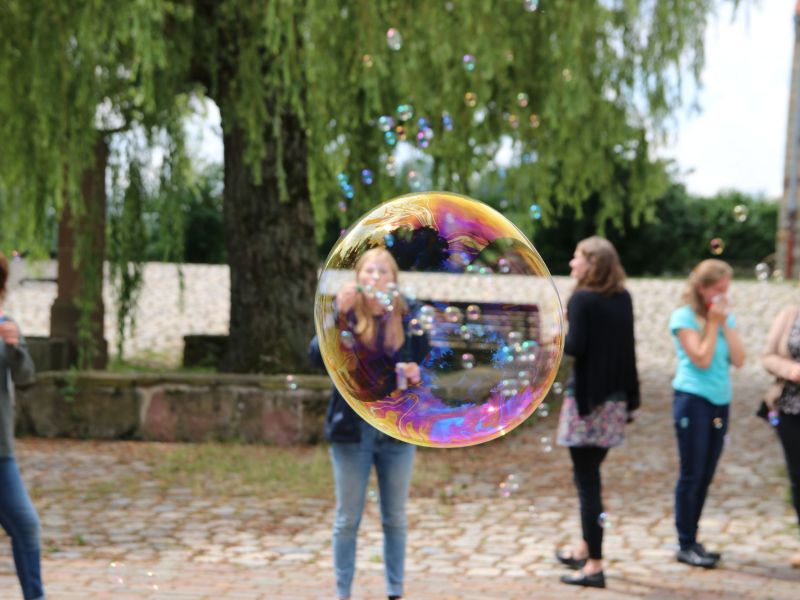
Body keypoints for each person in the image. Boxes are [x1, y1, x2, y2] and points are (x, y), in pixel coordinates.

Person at [309, 247, 429, 600]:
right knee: (348, 518)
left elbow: (430, 363)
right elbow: (316, 356)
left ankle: (395, 591)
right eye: (369, 271)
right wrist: (339, 314)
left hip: (396, 427)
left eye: (383, 272)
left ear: (394, 280)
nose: (376, 278)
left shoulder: (409, 315)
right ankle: (342, 593)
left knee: (395, 517)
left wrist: (418, 373)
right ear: (358, 279)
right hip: (351, 429)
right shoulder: (343, 313)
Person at [554, 236, 639, 589]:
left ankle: (594, 566)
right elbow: (627, 350)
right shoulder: (622, 297)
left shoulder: (583, 299)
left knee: (587, 485)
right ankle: (585, 546)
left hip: (588, 404)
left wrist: (562, 327)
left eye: (577, 258)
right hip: (615, 401)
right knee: (590, 477)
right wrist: (632, 401)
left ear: (592, 264)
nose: (573, 264)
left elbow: (575, 347)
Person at [669, 259, 745, 568]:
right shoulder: (683, 317)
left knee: (707, 474)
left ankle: (694, 538)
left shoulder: (725, 318)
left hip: (719, 402)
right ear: (702, 288)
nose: (723, 295)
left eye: (726, 289)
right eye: (718, 289)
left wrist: (724, 322)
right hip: (692, 400)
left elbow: (739, 359)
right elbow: (701, 358)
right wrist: (712, 324)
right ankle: (684, 542)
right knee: (692, 473)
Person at [0, 252, 44, 599]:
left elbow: (26, 377)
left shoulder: (6, 325)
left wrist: (16, 348)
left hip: (1, 452)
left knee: (26, 525)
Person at [761, 303, 800, 568]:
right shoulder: (790, 313)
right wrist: (791, 370)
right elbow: (768, 356)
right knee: (798, 478)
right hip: (791, 408)